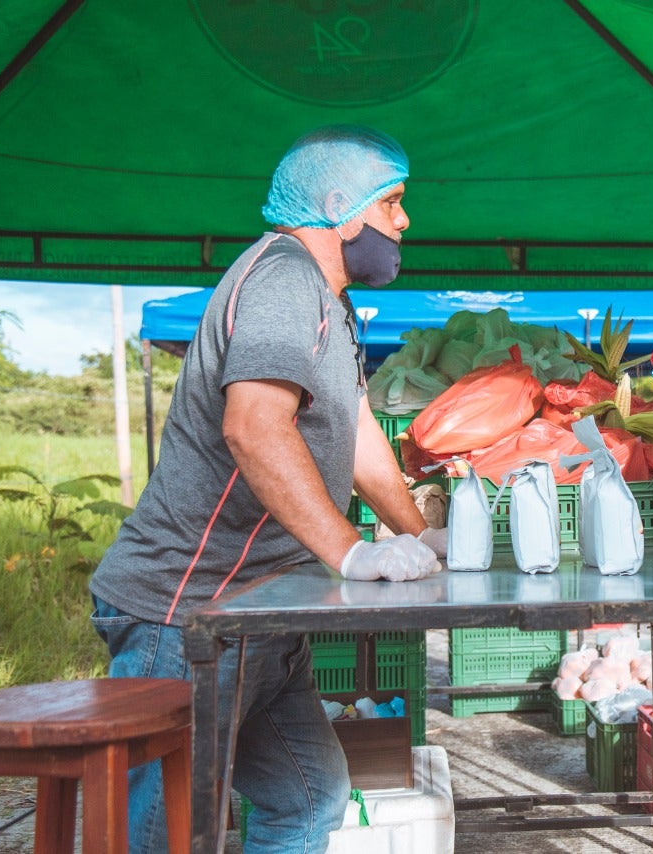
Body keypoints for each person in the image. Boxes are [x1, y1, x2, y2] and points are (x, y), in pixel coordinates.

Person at [89, 125, 449, 852]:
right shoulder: (285, 278)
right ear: (342, 207)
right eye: (394, 204)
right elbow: (253, 427)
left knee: (308, 800)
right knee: (168, 832)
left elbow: (358, 439)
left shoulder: (329, 302)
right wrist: (352, 554)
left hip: (262, 612)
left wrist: (419, 532)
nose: (404, 223)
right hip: (187, 613)